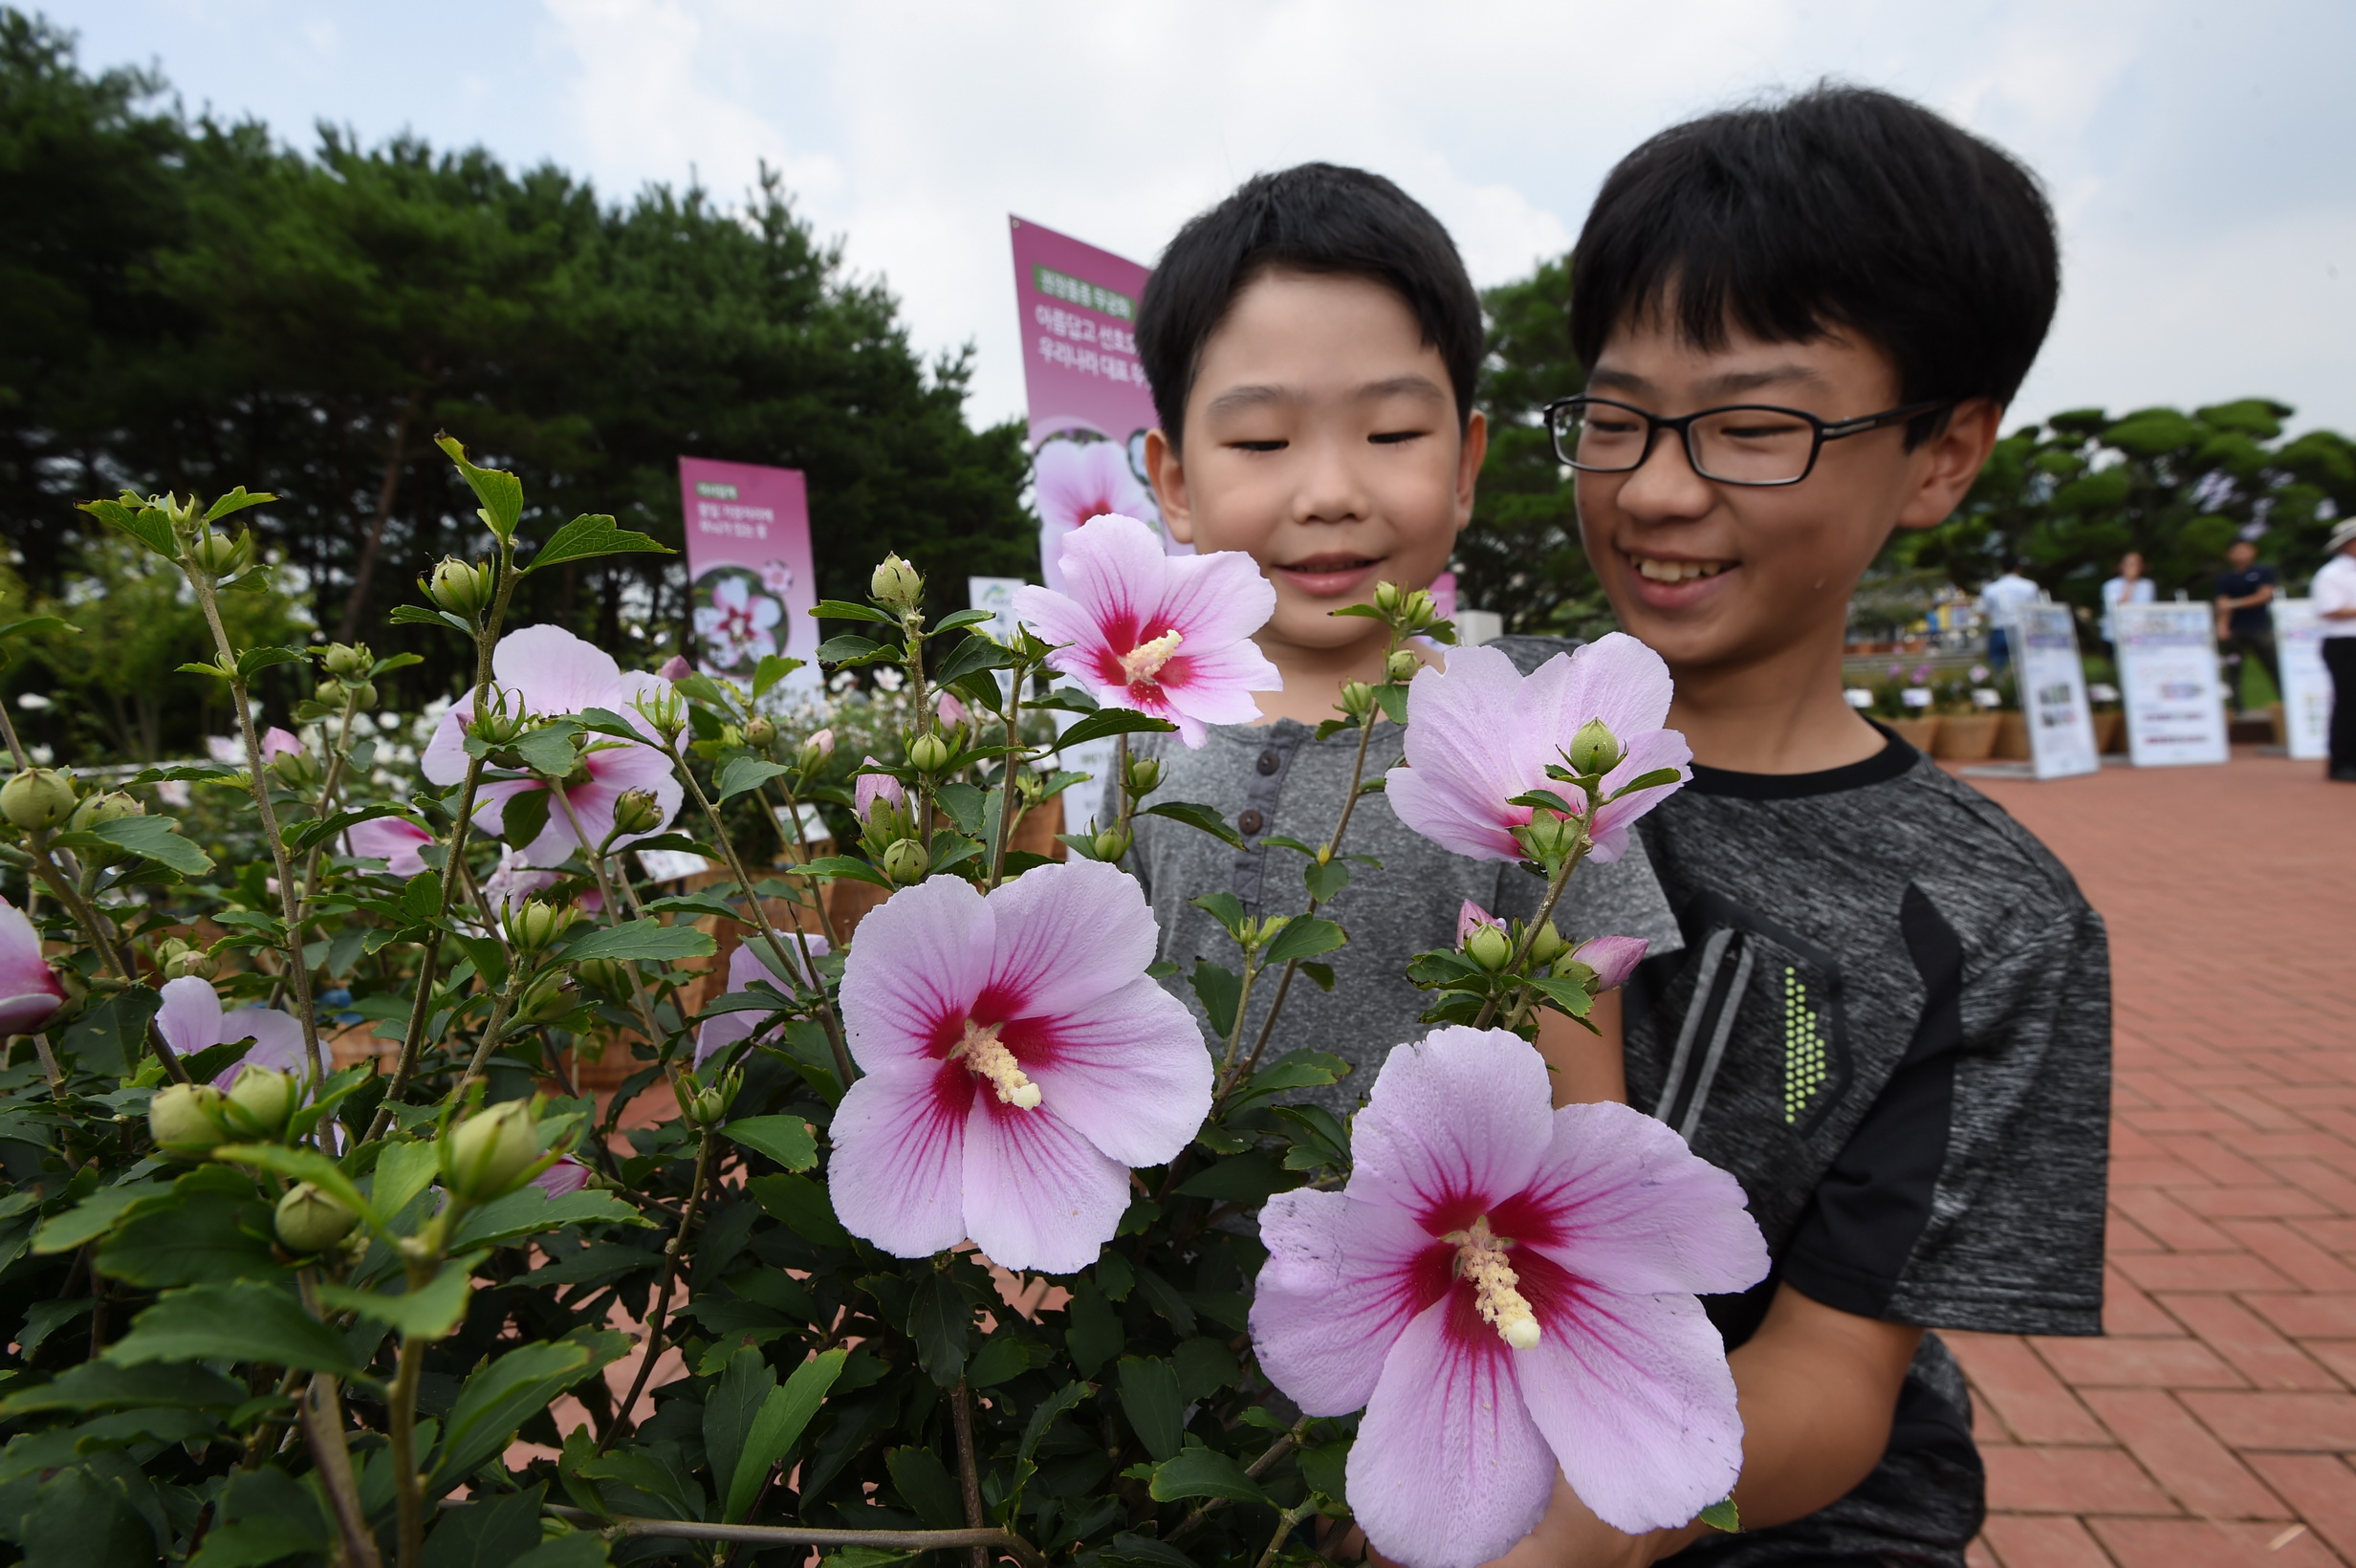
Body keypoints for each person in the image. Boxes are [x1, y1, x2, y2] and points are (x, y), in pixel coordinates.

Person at [1506, 86, 2109, 1567]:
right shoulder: (1475, 750)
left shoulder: (1993, 918)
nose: (1653, 487)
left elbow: (1837, 1378)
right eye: (1616, 416)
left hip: (1763, 1507)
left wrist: (1584, 1534)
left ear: (1944, 455)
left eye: (1753, 427)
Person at [1121, 162, 1682, 1117]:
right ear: (1173, 481)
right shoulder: (1139, 725)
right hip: (1178, 1261)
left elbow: (1583, 1099)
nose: (1331, 489)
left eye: (1388, 432)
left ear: (1466, 464)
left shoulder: (1552, 740)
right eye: (1261, 440)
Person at [2213, 537, 2281, 699]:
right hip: (2235, 629)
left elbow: (2264, 595)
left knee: (2273, 666)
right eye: (2236, 551)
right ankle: (2237, 708)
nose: (2240, 554)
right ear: (2229, 555)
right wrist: (2222, 626)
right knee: (2233, 668)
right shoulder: (2225, 578)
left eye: (2244, 549)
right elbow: (2222, 604)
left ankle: (2286, 702)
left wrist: (2234, 603)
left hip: (2259, 627)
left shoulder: (2263, 572)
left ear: (2253, 551)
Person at [2316, 516, 2356, 781]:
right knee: (2349, 703)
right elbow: (2330, 610)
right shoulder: (2331, 574)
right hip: (2345, 643)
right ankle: (2342, 763)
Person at [1974, 555, 2040, 673]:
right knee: (2028, 668)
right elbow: (2037, 610)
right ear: (2019, 568)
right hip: (2024, 630)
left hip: (1999, 630)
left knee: (1997, 668)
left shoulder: (1990, 589)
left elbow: (1982, 612)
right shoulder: (2030, 586)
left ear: (2000, 569)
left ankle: (2001, 688)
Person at [2099, 548, 2155, 658]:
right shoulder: (2110, 586)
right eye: (2129, 563)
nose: (2133, 567)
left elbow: (2145, 610)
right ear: (2121, 565)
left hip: (2140, 633)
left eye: (2136, 563)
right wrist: (2129, 584)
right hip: (2115, 634)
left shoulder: (2147, 585)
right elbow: (2115, 609)